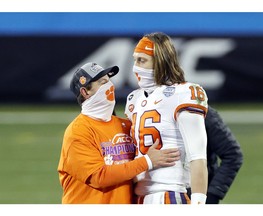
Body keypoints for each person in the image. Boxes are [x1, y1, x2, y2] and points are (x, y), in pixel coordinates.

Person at [57, 62, 180, 204]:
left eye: (109, 81)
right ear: (85, 92)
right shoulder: (78, 132)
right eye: (102, 82)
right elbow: (99, 177)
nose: (109, 86)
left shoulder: (126, 125)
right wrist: (147, 161)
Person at [124, 32, 209, 204]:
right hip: (137, 196)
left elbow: (198, 155)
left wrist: (199, 202)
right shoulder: (134, 99)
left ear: (160, 61)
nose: (135, 67)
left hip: (168, 194)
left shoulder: (183, 93)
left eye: (142, 60)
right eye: (135, 59)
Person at [187, 105, 244, 204]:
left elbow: (232, 154)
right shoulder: (155, 109)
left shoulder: (205, 114)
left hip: (196, 193)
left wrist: (213, 194)